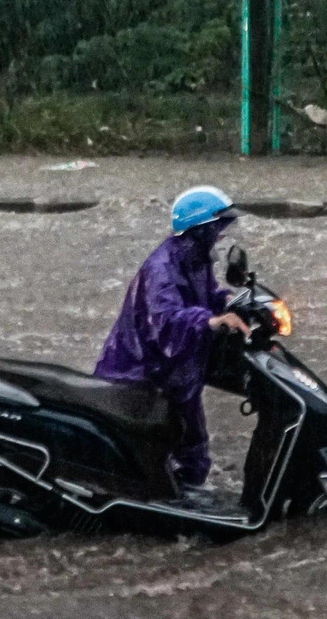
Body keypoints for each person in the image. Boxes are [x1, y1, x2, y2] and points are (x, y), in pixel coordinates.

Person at [94, 186, 252, 500]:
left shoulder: (195, 261)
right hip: (143, 374)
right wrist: (211, 321)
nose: (221, 236)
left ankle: (186, 496)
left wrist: (230, 302)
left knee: (193, 448)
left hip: (177, 372)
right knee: (176, 446)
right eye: (217, 229)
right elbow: (165, 320)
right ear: (200, 230)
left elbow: (205, 296)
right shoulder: (161, 269)